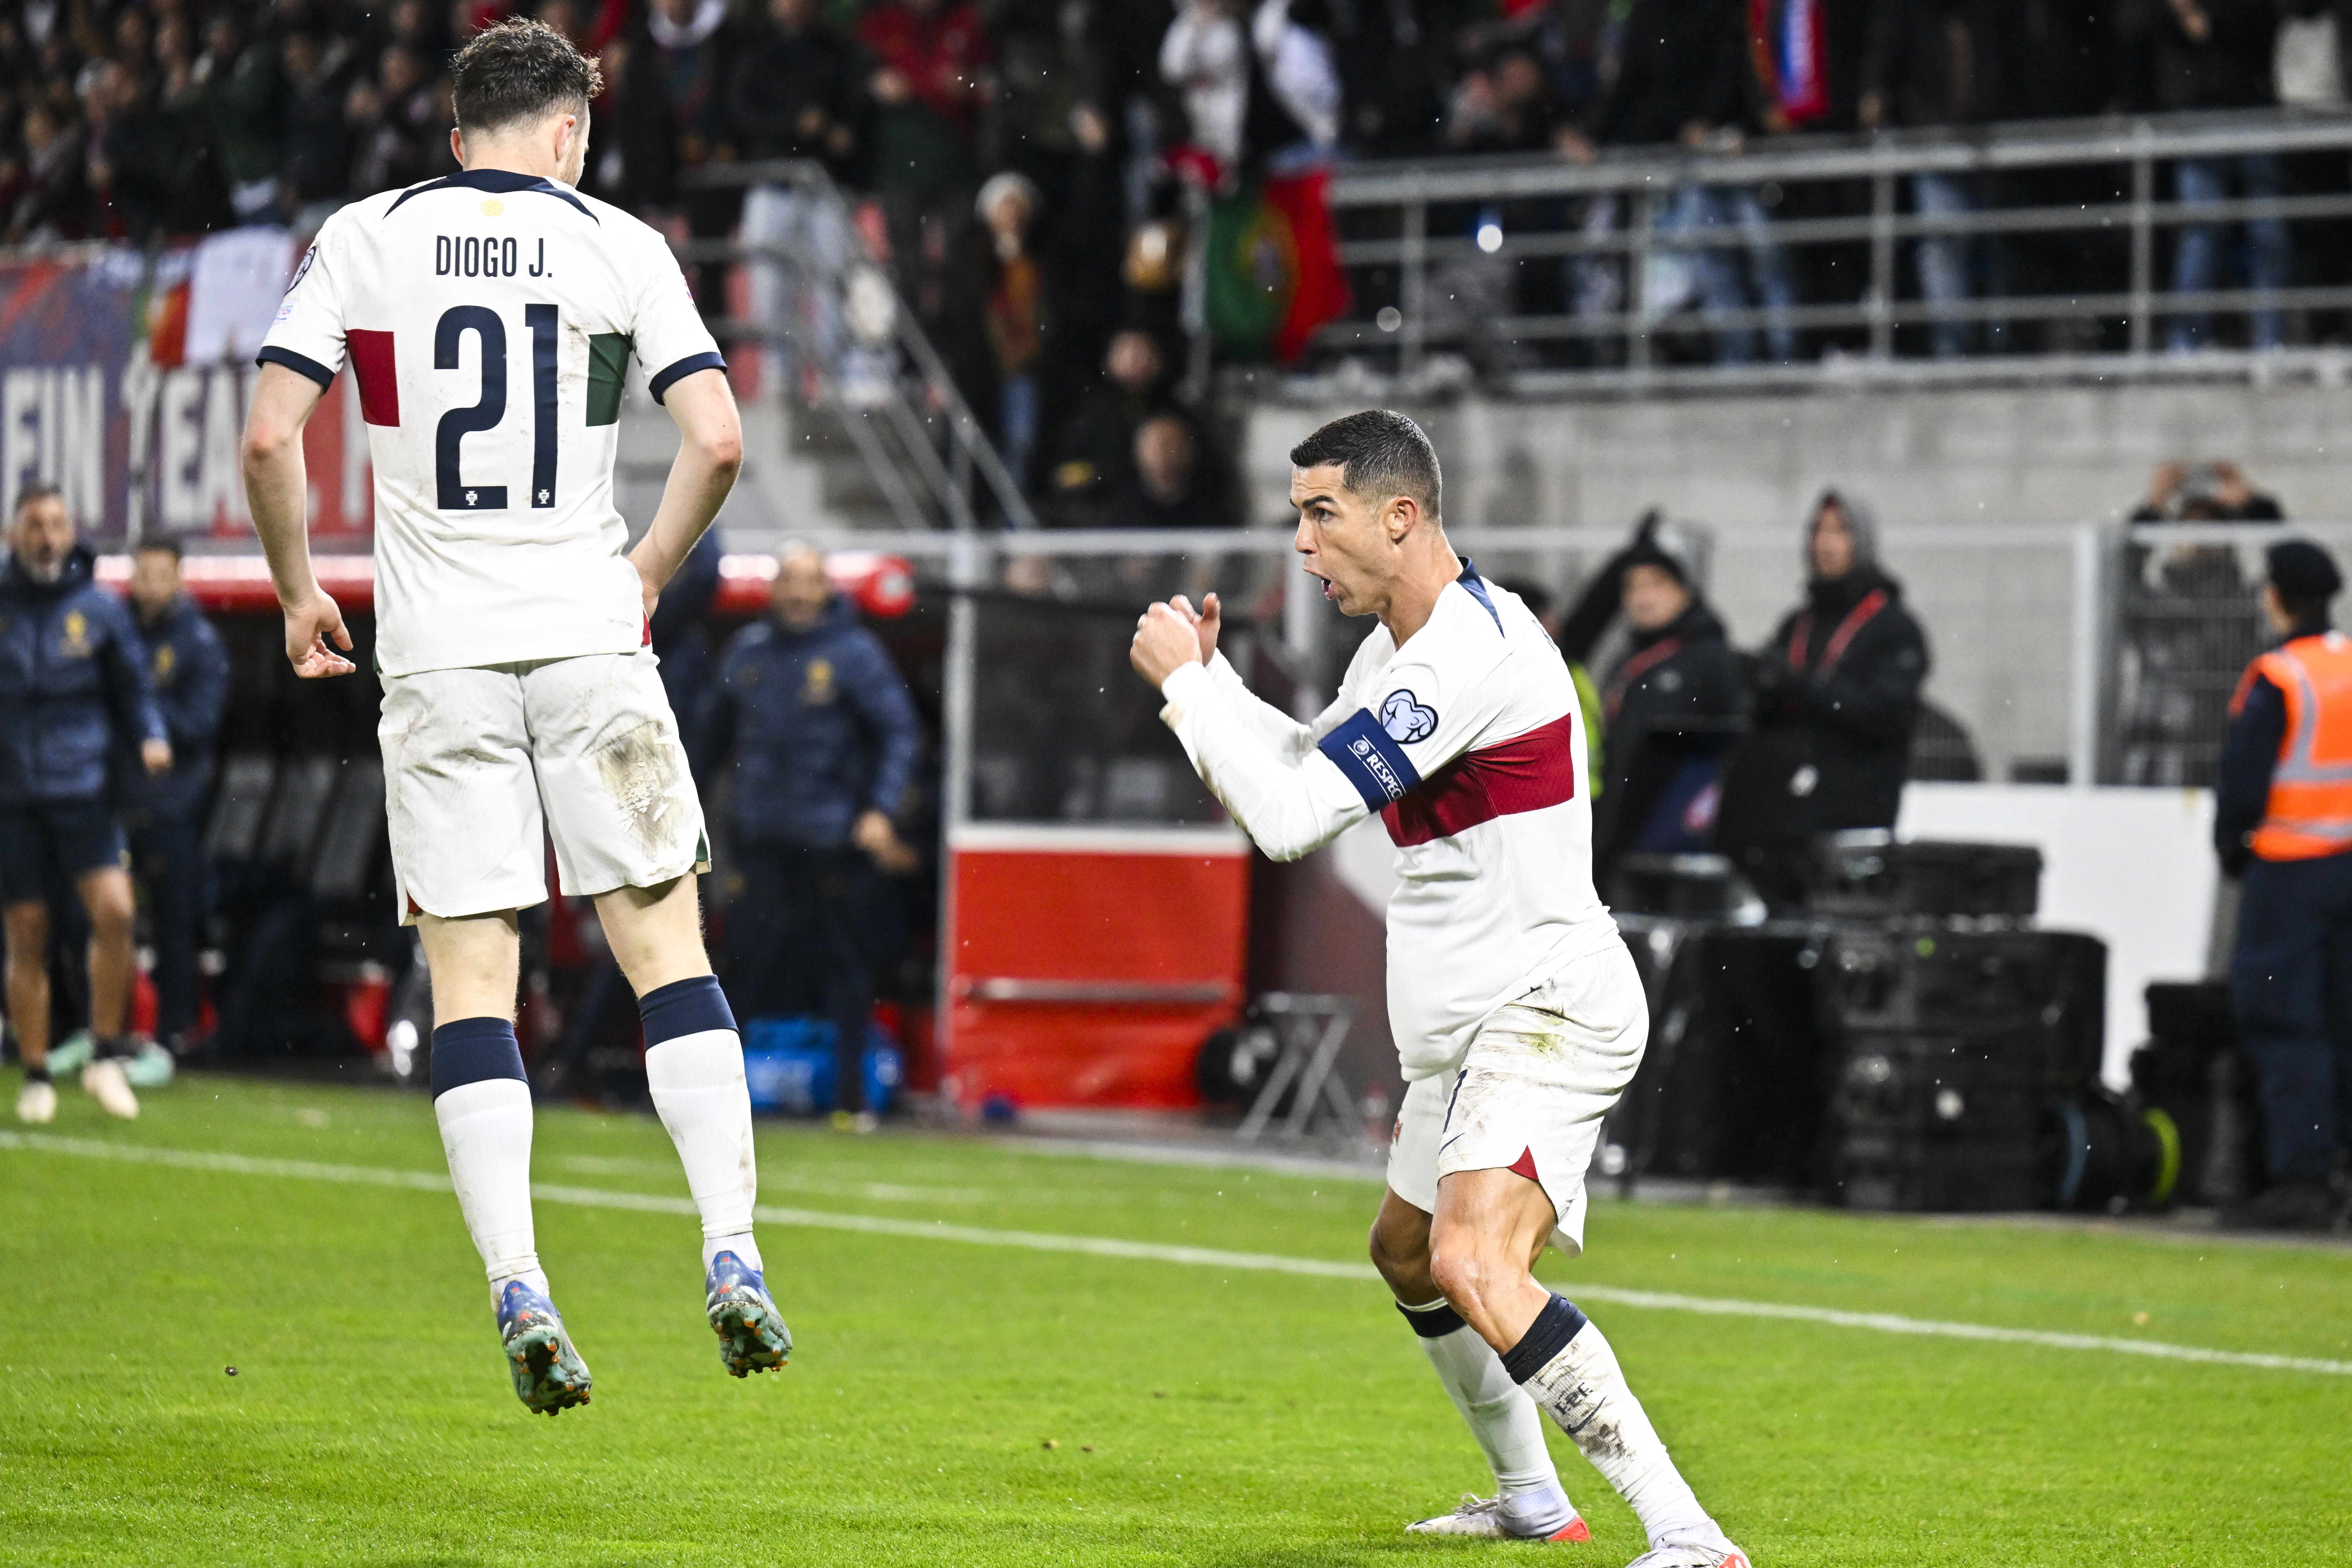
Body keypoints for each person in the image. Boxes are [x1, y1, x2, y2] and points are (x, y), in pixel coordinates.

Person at [241, 18, 785, 1416]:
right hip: (588, 638)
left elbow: (266, 435)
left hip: (441, 662)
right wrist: (647, 568)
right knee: (668, 956)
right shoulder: (620, 242)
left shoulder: (365, 236)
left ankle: (520, 1282)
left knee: (472, 982)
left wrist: (303, 592)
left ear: (455, 132)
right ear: (566, 136)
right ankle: (730, 1247)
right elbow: (718, 436)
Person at [1127, 411, 1748, 1566]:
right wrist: (1210, 685)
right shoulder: (1401, 653)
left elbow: (1289, 820)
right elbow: (1306, 762)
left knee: (1472, 1258)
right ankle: (1529, 1495)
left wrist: (1184, 695)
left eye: (1322, 511)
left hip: (1546, 1004)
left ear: (1398, 515)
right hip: (1468, 1028)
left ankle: (1690, 1535)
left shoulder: (1469, 656)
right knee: (1408, 1252)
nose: (1302, 542)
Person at [698, 544, 921, 1134]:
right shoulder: (746, 653)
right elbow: (704, 743)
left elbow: (898, 731)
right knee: (741, 969)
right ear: (774, 590)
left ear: (827, 589)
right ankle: (716, 1100)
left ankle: (852, 1099)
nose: (798, 593)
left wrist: (878, 808)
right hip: (761, 841)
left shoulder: (854, 654)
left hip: (831, 843)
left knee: (844, 971)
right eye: (788, 581)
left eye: (809, 581)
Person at [3, 482, 169, 1125]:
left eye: (57, 523)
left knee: (117, 912)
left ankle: (104, 1054)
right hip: (15, 794)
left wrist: (151, 735)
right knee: (27, 935)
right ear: (16, 532)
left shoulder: (99, 610)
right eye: (36, 524)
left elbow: (134, 686)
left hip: (84, 790)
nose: (48, 535)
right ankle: (38, 1072)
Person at [2215, 540, 2352, 1230]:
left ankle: (2299, 1178)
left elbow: (2243, 783)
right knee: (2341, 1021)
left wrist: (2231, 850)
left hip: (2289, 871)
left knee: (2282, 1022)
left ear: (2275, 595)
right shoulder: (2349, 666)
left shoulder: (2278, 674)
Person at [1718, 489, 1929, 909]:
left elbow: (1883, 713)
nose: (1825, 543)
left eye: (1839, 531)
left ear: (1862, 543)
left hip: (1854, 821)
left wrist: (1799, 685)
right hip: (1783, 821)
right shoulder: (1796, 623)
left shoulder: (1893, 628)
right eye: (1817, 530)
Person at [1555, 518, 1744, 887]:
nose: (1643, 598)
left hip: (1681, 847)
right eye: (1632, 587)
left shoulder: (1711, 658)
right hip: (1619, 841)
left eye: (1656, 584)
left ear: (1685, 590)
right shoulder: (1626, 662)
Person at [122, 537, 230, 1067]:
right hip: (117, 803)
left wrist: (144, 718)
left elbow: (201, 723)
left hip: (174, 806)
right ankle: (102, 1032)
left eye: (160, 574)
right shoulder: (117, 632)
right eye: (143, 573)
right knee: (102, 919)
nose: (149, 584)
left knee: (173, 923)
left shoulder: (198, 643)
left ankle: (170, 1039)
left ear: (179, 579)